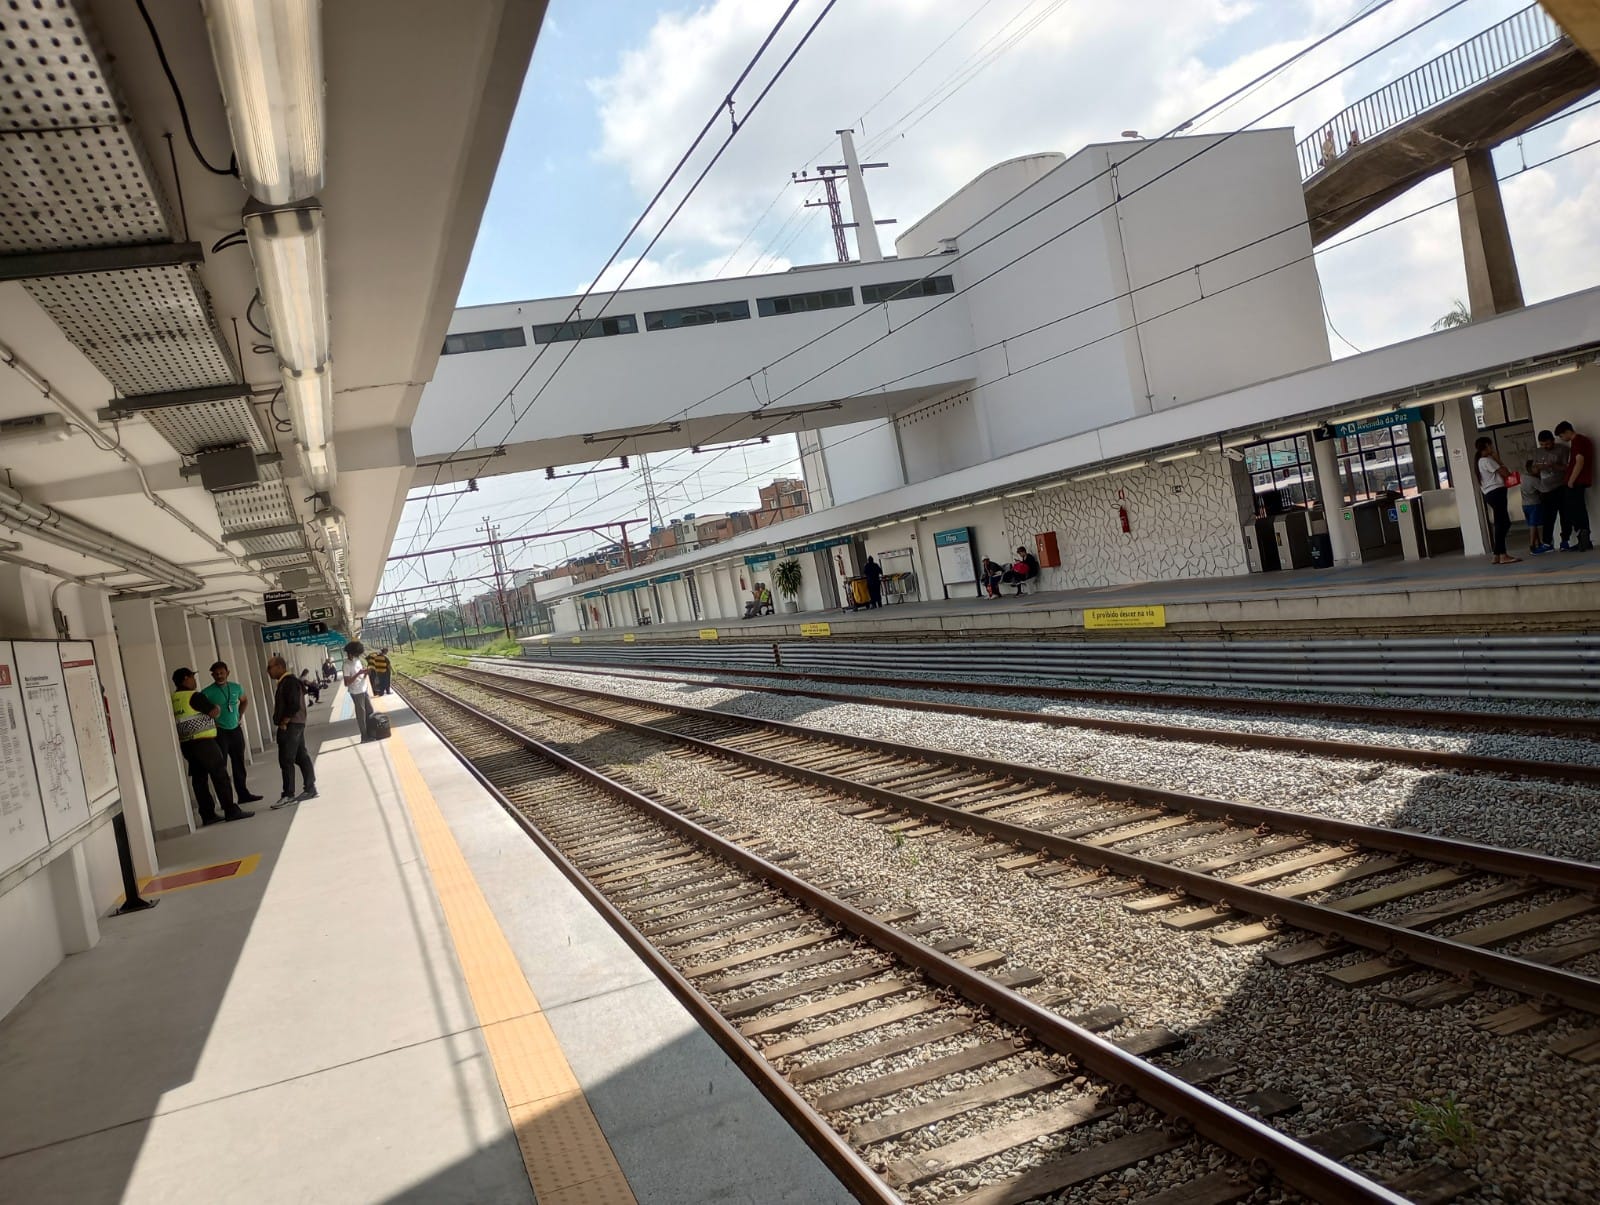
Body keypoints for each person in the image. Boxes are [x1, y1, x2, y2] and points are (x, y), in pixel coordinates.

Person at [170, 668, 251, 825]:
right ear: (186, 679)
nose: (194, 680)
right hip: (204, 742)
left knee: (199, 779)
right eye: (193, 677)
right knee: (220, 775)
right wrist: (218, 708)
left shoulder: (174, 698)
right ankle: (231, 810)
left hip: (187, 744)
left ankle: (207, 815)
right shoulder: (194, 695)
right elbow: (213, 712)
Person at [202, 661, 263, 804]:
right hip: (219, 732)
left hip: (235, 730)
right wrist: (212, 722)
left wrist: (240, 715)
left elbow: (244, 701)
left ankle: (243, 794)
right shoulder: (206, 693)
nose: (219, 676)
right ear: (212, 675)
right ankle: (226, 800)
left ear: (227, 673)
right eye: (216, 674)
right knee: (220, 767)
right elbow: (203, 712)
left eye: (221, 673)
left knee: (239, 764)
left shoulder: (236, 687)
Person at [267, 655, 317, 809]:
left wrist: (284, 721)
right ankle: (310, 788)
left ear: (279, 667)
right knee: (300, 756)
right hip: (296, 724)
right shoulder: (286, 682)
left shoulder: (289, 682)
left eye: (270, 667)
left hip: (291, 725)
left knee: (286, 759)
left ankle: (288, 794)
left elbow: (293, 704)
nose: (268, 671)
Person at [1475, 436, 1518, 565]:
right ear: (1487, 446)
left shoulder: (1479, 461)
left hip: (1490, 493)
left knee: (1501, 522)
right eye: (1491, 445)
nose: (1492, 448)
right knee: (1503, 523)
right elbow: (1505, 473)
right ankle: (1502, 554)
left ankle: (1497, 554)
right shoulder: (1487, 460)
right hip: (1497, 492)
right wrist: (1498, 459)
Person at [1529, 430, 1571, 552]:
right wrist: (1536, 468)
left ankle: (1565, 541)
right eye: (1542, 444)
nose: (1544, 447)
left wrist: (1552, 466)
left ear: (1553, 440)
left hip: (1561, 486)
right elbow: (1534, 470)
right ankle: (1547, 543)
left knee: (1565, 514)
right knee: (1548, 517)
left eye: (1547, 444)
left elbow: (1567, 467)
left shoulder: (1562, 449)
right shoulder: (1537, 452)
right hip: (1546, 489)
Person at [1555, 421, 1593, 552]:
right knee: (1579, 509)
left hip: (1576, 482)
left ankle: (1583, 537)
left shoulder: (1578, 441)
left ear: (1567, 432)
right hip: (1579, 481)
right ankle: (1585, 540)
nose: (1562, 439)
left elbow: (1579, 461)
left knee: (1575, 510)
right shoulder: (1580, 441)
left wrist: (1571, 480)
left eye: (1561, 436)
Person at [343, 640, 376, 741]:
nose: (358, 655)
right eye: (356, 654)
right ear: (351, 652)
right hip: (356, 692)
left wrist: (366, 673)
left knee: (370, 711)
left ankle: (371, 732)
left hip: (363, 688)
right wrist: (358, 674)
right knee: (361, 715)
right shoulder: (346, 665)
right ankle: (364, 736)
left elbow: (361, 675)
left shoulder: (357, 660)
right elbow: (346, 682)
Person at [1517, 461, 1546, 556]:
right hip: (1534, 504)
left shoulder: (1523, 477)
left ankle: (1538, 543)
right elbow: (1544, 490)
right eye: (1537, 467)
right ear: (1531, 468)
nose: (1539, 468)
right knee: (1534, 525)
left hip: (1524, 504)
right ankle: (1532, 546)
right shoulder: (1534, 480)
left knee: (1532, 524)